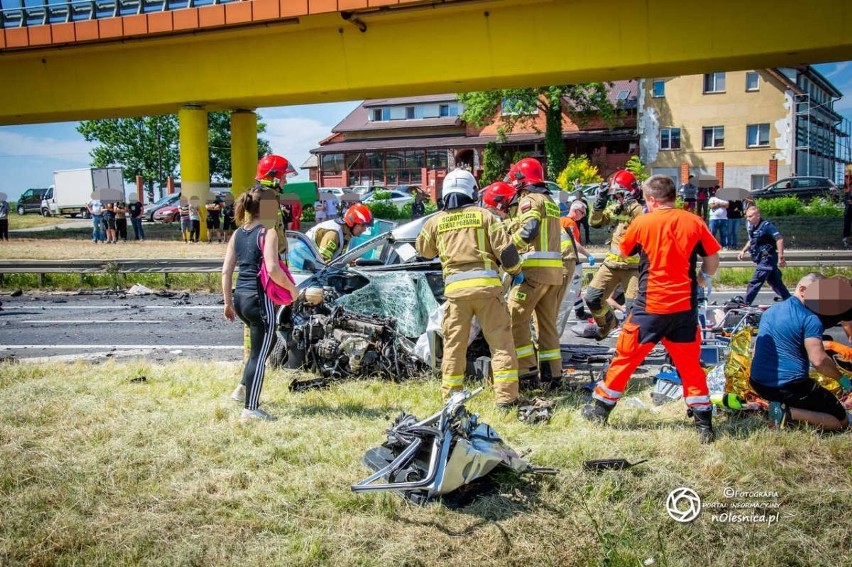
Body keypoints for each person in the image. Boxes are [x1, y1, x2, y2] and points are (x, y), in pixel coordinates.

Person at [581, 175, 721, 443]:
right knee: (690, 366)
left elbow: (623, 252)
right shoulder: (694, 221)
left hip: (650, 307)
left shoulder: (643, 222)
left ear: (652, 199)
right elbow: (712, 258)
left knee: (626, 358)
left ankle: (599, 410)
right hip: (684, 309)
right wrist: (704, 277)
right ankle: (704, 425)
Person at [416, 169, 522, 408]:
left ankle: (452, 399)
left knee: (454, 347)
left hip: (456, 295)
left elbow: (423, 250)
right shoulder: (485, 216)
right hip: (487, 291)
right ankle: (506, 399)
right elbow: (507, 252)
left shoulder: (436, 221)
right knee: (501, 345)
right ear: (472, 191)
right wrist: (516, 272)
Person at [222, 187, 298, 422]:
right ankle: (251, 408)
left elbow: (226, 271)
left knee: (266, 342)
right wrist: (293, 290)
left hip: (240, 298)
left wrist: (227, 302)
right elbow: (273, 269)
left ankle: (242, 388)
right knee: (259, 354)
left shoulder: (238, 234)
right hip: (259, 299)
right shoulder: (268, 233)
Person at [750, 273, 848, 431]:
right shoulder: (810, 318)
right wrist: (843, 380)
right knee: (840, 422)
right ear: (802, 290)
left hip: (759, 383)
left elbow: (756, 351)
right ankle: (787, 413)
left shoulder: (769, 312)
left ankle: (783, 407)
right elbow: (819, 361)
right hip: (789, 386)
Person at [505, 157, 564, 387]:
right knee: (547, 325)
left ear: (523, 180)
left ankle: (527, 373)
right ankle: (553, 376)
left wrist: (508, 248)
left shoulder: (529, 200)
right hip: (553, 274)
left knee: (514, 319)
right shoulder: (550, 200)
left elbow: (529, 230)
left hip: (533, 272)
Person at [585, 170, 644, 340]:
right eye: (615, 195)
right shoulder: (617, 208)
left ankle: (632, 349)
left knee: (634, 310)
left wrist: (631, 205)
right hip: (611, 266)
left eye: (619, 194)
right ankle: (608, 323)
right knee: (592, 298)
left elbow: (643, 221)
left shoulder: (641, 208)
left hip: (634, 268)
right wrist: (599, 203)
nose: (617, 198)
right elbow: (594, 222)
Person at [737, 205, 791, 305]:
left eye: (750, 216)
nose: (748, 219)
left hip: (767, 258)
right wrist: (743, 251)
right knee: (775, 282)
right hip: (761, 258)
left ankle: (745, 302)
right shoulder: (753, 227)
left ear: (758, 215)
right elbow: (752, 241)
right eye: (747, 217)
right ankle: (789, 300)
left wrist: (781, 256)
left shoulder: (767, 226)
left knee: (756, 280)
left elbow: (779, 239)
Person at [305, 203, 374, 262]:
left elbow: (335, 257)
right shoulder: (334, 234)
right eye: (362, 225)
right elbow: (323, 263)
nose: (364, 229)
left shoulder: (346, 232)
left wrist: (346, 262)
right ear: (352, 222)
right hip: (302, 266)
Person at [843, 178, 851, 248]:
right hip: (848, 209)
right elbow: (845, 199)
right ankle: (845, 238)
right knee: (847, 224)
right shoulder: (847, 192)